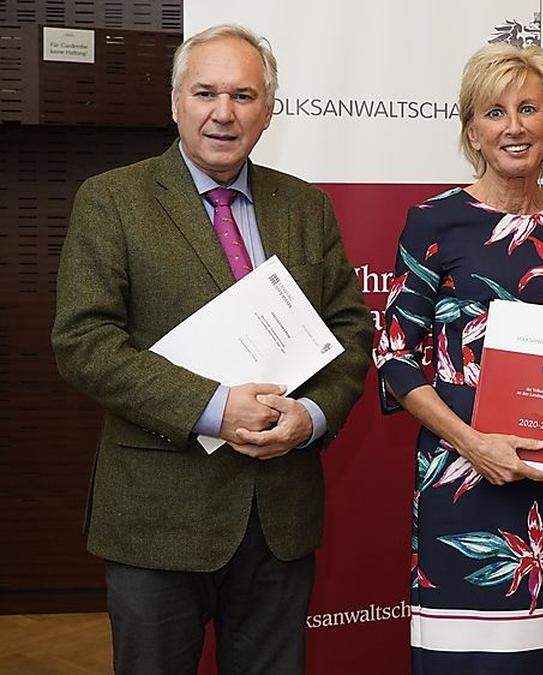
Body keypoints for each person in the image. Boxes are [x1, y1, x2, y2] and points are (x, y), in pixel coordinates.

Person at [49, 24, 372, 674]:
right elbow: (84, 341)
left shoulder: (306, 208)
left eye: (244, 95)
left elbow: (350, 332)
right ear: (176, 102)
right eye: (206, 93)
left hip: (277, 516)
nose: (224, 112)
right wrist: (215, 407)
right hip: (156, 518)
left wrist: (309, 418)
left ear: (268, 109)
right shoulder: (111, 201)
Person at [375, 43, 543, 674]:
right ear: (472, 131)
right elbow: (395, 360)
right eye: (495, 112)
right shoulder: (434, 223)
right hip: (462, 481)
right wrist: (474, 443)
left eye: (529, 108)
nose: (514, 126)